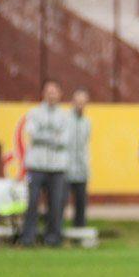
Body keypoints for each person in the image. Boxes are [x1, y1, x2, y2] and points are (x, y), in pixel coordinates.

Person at [21, 79, 70, 247]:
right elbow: (33, 134)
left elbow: (65, 140)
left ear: (60, 94)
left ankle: (53, 238)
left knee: (56, 204)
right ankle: (28, 237)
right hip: (36, 166)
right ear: (43, 93)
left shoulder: (65, 115)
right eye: (48, 92)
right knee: (32, 202)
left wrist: (44, 135)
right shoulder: (34, 113)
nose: (51, 95)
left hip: (57, 167)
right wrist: (52, 136)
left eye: (54, 92)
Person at [65, 87, 92, 228]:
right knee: (59, 203)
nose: (80, 105)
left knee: (81, 203)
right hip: (65, 168)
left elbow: (85, 146)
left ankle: (79, 231)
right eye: (78, 102)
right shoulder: (65, 120)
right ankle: (56, 233)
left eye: (83, 102)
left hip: (81, 170)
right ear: (72, 102)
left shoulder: (87, 122)